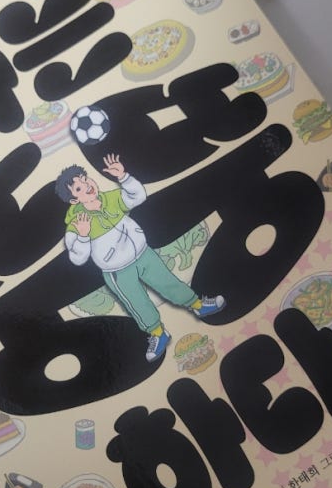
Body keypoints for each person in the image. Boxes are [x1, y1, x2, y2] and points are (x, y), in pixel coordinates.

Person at [56, 153, 225, 362]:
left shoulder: (110, 198)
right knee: (137, 302)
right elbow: (77, 259)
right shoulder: (76, 223)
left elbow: (138, 197)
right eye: (79, 188)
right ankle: (158, 334)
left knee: (168, 282)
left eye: (85, 179)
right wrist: (83, 236)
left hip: (143, 253)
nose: (87, 185)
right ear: (74, 200)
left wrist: (123, 177)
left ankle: (198, 306)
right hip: (117, 271)